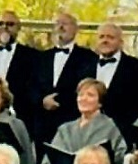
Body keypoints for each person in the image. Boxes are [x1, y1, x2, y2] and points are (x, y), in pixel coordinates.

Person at [42, 78, 127, 164]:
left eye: (90, 95)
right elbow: (49, 162)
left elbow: (120, 160)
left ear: (100, 102)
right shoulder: (65, 128)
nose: (83, 99)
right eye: (80, 95)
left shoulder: (110, 127)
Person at [32, 12, 98, 142]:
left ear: (75, 29)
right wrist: (42, 100)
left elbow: (86, 86)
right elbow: (31, 85)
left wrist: (59, 101)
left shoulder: (88, 57)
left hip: (71, 121)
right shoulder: (41, 57)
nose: (60, 27)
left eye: (65, 24)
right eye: (57, 24)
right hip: (42, 124)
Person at [89, 22, 138, 137]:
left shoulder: (137, 67)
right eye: (101, 37)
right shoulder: (84, 67)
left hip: (124, 132)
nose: (105, 40)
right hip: (90, 132)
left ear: (121, 42)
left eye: (110, 37)